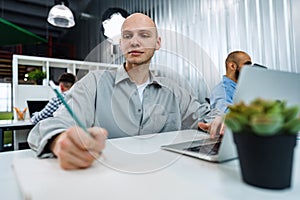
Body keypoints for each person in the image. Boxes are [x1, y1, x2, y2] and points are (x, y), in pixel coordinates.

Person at [27, 13, 223, 170]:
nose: (134, 42)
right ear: (120, 44)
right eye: (127, 36)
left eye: (144, 35)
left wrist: (221, 121)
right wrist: (59, 140)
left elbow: (209, 116)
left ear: (158, 43)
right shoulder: (93, 83)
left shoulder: (175, 92)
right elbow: (51, 124)